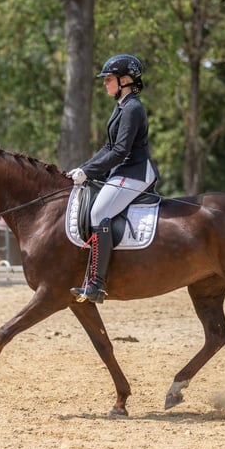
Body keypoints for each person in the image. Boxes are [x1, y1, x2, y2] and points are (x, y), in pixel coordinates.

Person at [67, 54, 160, 304]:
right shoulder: (121, 107)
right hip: (122, 172)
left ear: (126, 80)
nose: (105, 83)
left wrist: (89, 172)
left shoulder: (132, 108)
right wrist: (85, 168)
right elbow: (108, 146)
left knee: (99, 213)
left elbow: (120, 151)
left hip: (135, 172)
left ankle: (97, 284)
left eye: (108, 79)